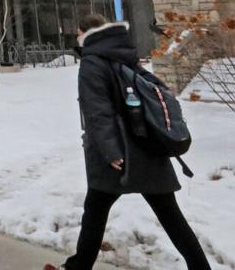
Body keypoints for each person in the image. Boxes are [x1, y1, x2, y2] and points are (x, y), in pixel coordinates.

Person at [46, 13, 210, 270]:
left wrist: (111, 152)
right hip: (147, 146)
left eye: (78, 32)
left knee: (96, 212)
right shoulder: (124, 55)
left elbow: (97, 111)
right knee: (169, 215)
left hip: (118, 154)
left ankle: (78, 267)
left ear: (87, 34)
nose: (76, 37)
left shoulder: (92, 62)